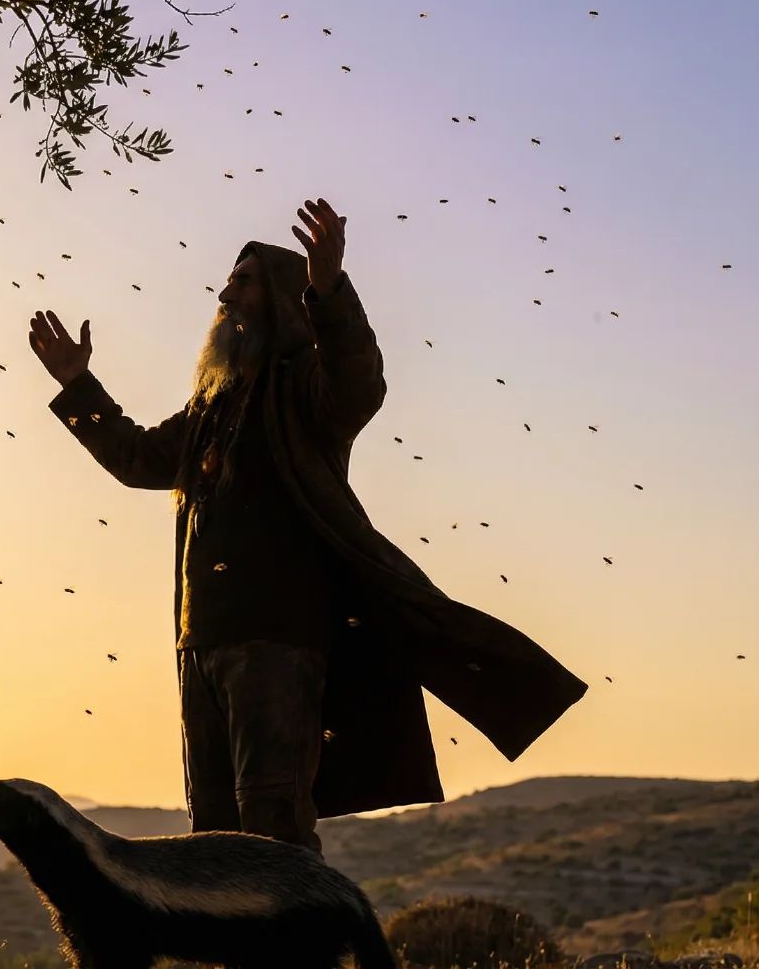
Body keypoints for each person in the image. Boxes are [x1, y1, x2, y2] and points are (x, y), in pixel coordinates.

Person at [29, 197, 586, 855]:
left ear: (284, 299)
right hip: (200, 642)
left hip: (278, 639)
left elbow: (358, 381)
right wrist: (79, 387)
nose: (224, 293)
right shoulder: (211, 407)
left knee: (273, 827)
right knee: (213, 834)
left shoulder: (305, 393)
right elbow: (136, 459)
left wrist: (330, 290)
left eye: (243, 281)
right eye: (227, 282)